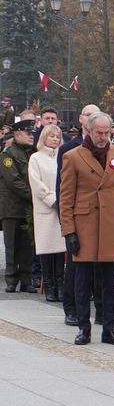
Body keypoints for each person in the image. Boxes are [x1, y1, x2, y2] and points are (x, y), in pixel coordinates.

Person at [59, 112, 114, 345]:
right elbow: (66, 198)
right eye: (98, 132)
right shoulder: (73, 156)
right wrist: (69, 231)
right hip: (85, 226)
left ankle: (109, 328)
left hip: (112, 224)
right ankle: (84, 327)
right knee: (82, 282)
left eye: (107, 132)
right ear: (89, 131)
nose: (103, 137)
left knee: (110, 282)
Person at [56, 104, 100, 326]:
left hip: (101, 218)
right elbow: (61, 187)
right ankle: (71, 309)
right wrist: (66, 222)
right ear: (81, 119)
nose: (91, 117)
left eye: (96, 114)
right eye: (87, 114)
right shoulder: (69, 149)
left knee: (102, 267)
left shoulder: (111, 148)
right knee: (74, 266)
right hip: (77, 217)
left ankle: (101, 311)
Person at [28, 124, 66, 302]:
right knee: (46, 249)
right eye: (51, 136)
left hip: (61, 208)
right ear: (44, 137)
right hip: (46, 208)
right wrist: (52, 199)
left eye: (57, 136)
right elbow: (36, 184)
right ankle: (49, 285)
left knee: (60, 250)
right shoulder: (36, 158)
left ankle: (60, 284)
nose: (55, 139)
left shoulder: (63, 157)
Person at [0, 119, 38, 293]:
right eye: (27, 133)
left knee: (27, 246)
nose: (31, 136)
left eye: (32, 133)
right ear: (16, 134)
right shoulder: (8, 154)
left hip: (29, 208)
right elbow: (13, 180)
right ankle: (11, 279)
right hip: (12, 208)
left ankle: (26, 279)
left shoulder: (33, 153)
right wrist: (33, 196)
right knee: (12, 245)